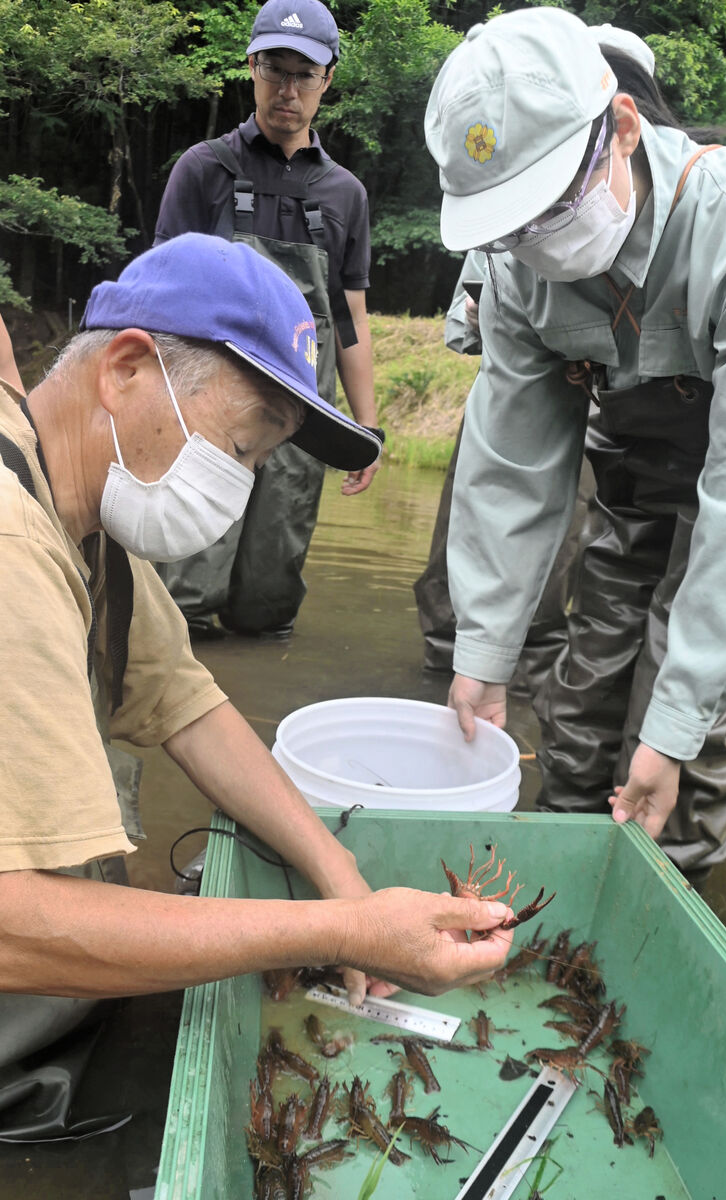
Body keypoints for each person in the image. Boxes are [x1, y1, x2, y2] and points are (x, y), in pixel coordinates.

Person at [0, 233, 512, 1140]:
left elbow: (187, 702)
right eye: (240, 445)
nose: (241, 485)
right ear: (125, 369)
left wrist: (337, 873)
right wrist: (338, 935)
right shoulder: (10, 546)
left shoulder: (81, 511)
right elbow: (9, 922)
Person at [423, 8, 726, 883]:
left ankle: (665, 900)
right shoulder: (519, 270)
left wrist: (672, 731)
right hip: (636, 470)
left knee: (688, 749)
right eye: (513, 224)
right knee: (580, 700)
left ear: (624, 129)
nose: (540, 244)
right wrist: (485, 654)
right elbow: (514, 466)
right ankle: (550, 888)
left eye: (554, 206)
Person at [153, 0, 383, 640]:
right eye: (273, 71)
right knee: (186, 597)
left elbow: (350, 318)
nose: (287, 90)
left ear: (327, 80)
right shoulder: (204, 169)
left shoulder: (346, 194)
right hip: (208, 406)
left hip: (302, 414)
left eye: (303, 75)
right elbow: (162, 300)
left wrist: (365, 428)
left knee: (267, 600)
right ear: (250, 68)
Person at [413, 249, 594, 693]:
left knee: (557, 552)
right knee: (456, 536)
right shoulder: (493, 228)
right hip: (501, 398)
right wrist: (478, 316)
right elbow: (457, 327)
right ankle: (442, 667)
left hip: (589, 405)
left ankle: (528, 677)